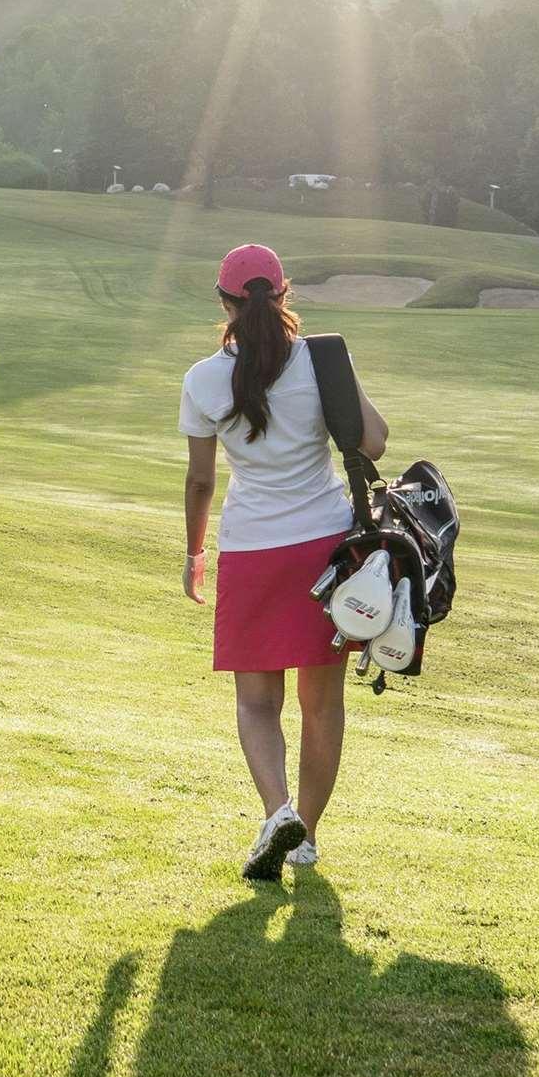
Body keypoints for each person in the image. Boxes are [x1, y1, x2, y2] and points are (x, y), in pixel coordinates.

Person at [182, 243, 386, 884]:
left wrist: (194, 552)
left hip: (250, 550)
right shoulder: (321, 360)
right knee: (321, 704)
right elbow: (374, 442)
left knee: (256, 700)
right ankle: (306, 839)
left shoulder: (202, 379)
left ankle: (277, 813)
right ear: (284, 294)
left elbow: (199, 481)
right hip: (326, 551)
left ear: (225, 303)